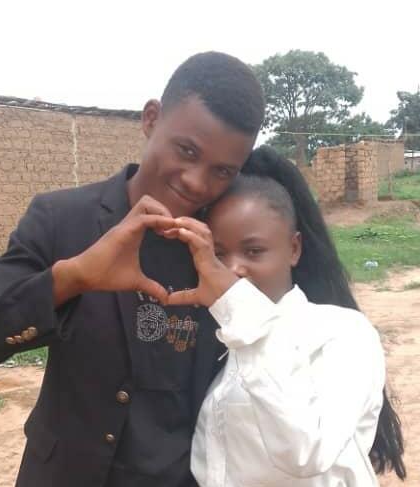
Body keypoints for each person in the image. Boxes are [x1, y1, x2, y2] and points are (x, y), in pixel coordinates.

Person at [0, 52, 264, 487]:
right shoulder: (62, 219)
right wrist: (70, 279)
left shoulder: (226, 247)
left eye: (222, 171)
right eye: (186, 151)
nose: (196, 181)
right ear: (151, 118)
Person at [166, 147, 406, 486]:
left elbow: (307, 451)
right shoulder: (225, 345)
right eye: (217, 254)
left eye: (253, 251)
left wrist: (240, 313)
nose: (234, 268)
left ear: (293, 248)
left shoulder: (342, 333)